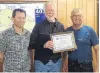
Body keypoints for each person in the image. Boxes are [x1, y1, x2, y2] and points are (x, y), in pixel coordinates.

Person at [28, 2, 65, 72]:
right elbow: (31, 44)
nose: (50, 12)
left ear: (55, 11)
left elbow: (64, 44)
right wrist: (43, 45)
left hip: (57, 63)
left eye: (52, 10)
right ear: (44, 12)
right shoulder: (38, 26)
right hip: (40, 63)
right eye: (48, 10)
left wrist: (66, 47)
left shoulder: (61, 26)